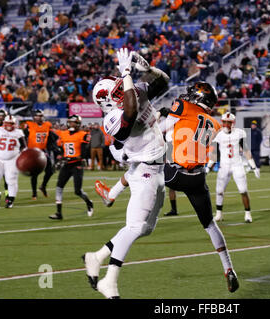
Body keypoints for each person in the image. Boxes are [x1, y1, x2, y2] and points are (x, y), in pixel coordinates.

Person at [84, 49, 170, 299]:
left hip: (154, 168)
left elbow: (163, 82)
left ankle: (97, 256)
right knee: (134, 227)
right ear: (107, 102)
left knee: (145, 228)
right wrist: (126, 73)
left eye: (122, 87)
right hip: (143, 169)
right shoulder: (111, 118)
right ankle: (109, 281)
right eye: (117, 90)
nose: (123, 88)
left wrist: (148, 70)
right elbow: (130, 113)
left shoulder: (134, 91)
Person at [160, 81, 239, 293]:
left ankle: (113, 194)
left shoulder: (183, 106)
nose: (188, 95)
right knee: (210, 225)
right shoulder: (215, 123)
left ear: (198, 97)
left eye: (192, 93)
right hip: (198, 178)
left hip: (176, 172)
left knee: (142, 170)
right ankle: (228, 268)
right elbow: (192, 129)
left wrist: (164, 115)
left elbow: (163, 129)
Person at [207, 112, 260, 223]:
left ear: (233, 123)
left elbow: (246, 150)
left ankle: (247, 213)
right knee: (219, 191)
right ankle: (219, 214)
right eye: (224, 122)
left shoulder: (239, 133)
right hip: (224, 166)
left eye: (228, 122)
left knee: (243, 190)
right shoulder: (219, 134)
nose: (226, 124)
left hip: (237, 165)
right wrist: (208, 167)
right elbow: (215, 153)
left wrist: (254, 166)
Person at [49, 114, 94, 220]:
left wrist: (71, 158)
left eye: (73, 122)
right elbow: (60, 148)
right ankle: (58, 213)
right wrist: (60, 157)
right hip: (67, 164)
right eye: (70, 122)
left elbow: (83, 153)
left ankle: (89, 203)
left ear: (78, 124)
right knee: (59, 187)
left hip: (76, 164)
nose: (71, 124)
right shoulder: (63, 134)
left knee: (77, 191)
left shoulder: (83, 134)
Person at [0, 115, 26, 208]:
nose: (9, 125)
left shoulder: (19, 133)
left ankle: (10, 200)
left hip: (12, 160)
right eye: (7, 123)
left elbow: (24, 146)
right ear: (4, 123)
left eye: (11, 123)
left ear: (14, 124)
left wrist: (22, 156)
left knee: (11, 180)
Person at [24, 109, 57, 199]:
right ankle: (34, 193)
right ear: (33, 117)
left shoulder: (47, 125)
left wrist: (54, 147)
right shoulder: (29, 125)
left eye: (40, 116)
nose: (38, 117)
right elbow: (22, 137)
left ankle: (43, 186)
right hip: (33, 151)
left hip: (43, 150)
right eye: (37, 116)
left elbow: (52, 137)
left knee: (50, 170)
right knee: (34, 173)